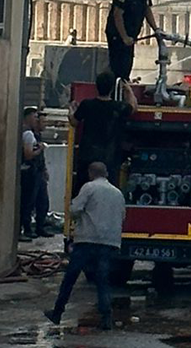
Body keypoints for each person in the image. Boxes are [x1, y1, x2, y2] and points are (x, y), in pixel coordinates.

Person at [44, 162, 124, 331]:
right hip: (109, 242)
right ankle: (106, 319)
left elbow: (75, 210)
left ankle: (57, 313)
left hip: (87, 240)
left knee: (70, 278)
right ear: (106, 173)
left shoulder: (89, 188)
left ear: (90, 173)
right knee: (103, 281)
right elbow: (122, 216)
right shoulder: (118, 193)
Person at [70, 71, 137, 192]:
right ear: (112, 88)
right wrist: (128, 90)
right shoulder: (118, 107)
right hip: (110, 158)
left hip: (87, 157)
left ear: (97, 86)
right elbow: (132, 107)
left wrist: (71, 110)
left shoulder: (87, 105)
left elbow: (74, 121)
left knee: (83, 190)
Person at [104, 0, 159, 82]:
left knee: (128, 62)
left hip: (131, 35)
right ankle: (116, 88)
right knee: (118, 64)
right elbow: (117, 15)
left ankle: (124, 83)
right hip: (117, 34)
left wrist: (156, 29)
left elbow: (146, 9)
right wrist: (124, 37)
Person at [19, 107, 55, 240]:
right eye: (35, 117)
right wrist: (40, 149)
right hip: (31, 172)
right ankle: (27, 229)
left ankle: (39, 227)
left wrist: (44, 169)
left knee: (41, 201)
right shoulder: (27, 134)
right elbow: (28, 155)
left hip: (37, 171)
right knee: (28, 202)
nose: (37, 121)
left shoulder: (34, 134)